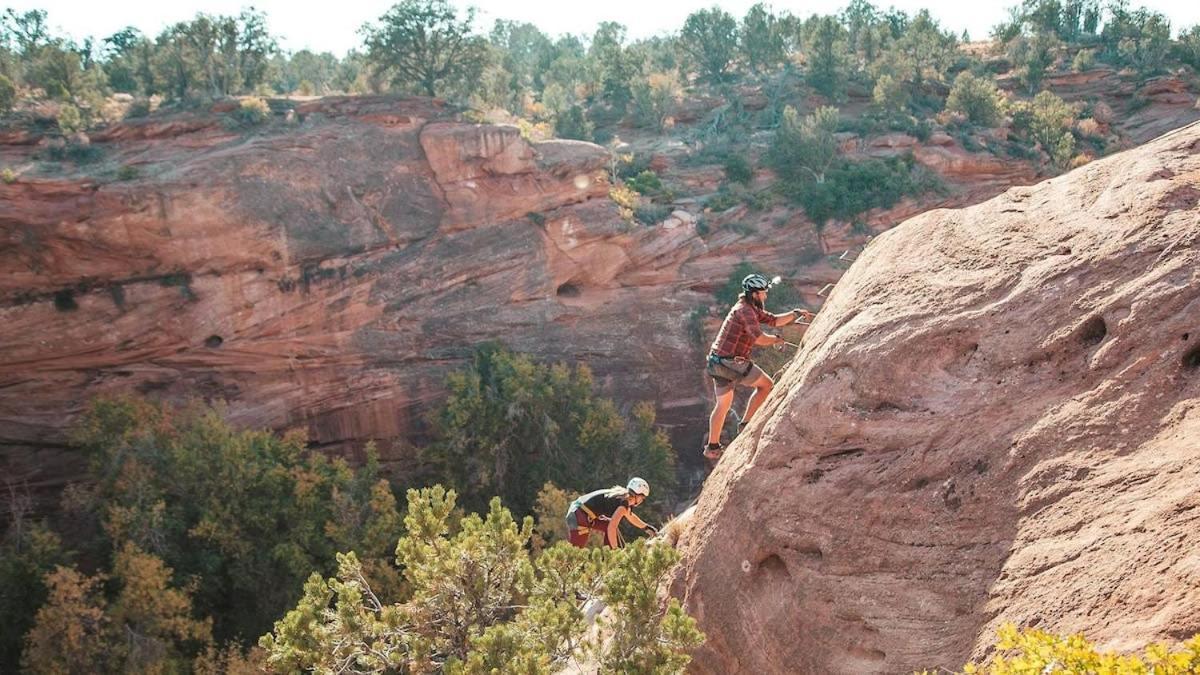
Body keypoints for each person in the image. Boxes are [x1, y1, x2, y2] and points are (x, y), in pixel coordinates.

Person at [703, 272, 814, 461]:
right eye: (763, 292)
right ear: (754, 294)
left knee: (722, 405)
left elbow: (773, 320)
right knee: (766, 385)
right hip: (731, 362)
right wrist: (776, 340)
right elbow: (760, 339)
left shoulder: (748, 307)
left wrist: (795, 313)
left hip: (716, 361)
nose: (765, 295)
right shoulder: (746, 311)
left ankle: (712, 447)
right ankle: (746, 424)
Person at [565, 478, 657, 549]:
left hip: (579, 512)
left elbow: (630, 516)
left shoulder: (623, 496)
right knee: (575, 553)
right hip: (579, 516)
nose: (642, 500)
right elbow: (612, 528)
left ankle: (611, 557)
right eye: (642, 498)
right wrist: (615, 550)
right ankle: (613, 557)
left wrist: (646, 527)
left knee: (607, 524)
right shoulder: (623, 503)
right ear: (637, 495)